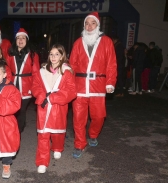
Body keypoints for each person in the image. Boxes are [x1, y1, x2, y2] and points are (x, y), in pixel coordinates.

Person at [69, 12, 117, 158]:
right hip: (80, 86)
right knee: (78, 118)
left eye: (92, 23)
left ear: (98, 25)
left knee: (99, 116)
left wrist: (110, 82)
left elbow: (111, 64)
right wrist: (68, 84)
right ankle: (79, 144)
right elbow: (72, 64)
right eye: (87, 23)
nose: (89, 26)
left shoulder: (107, 41)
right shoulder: (78, 42)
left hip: (98, 85)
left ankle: (93, 134)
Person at [32, 44, 76, 173]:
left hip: (58, 107)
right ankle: (42, 162)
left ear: (62, 55)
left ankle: (57, 147)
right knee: (43, 134)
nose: (53, 57)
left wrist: (55, 97)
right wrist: (41, 95)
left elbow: (71, 91)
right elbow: (35, 86)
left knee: (58, 132)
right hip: (44, 107)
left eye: (57, 54)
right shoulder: (42, 71)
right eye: (51, 54)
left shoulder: (67, 72)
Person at [7, 28, 40, 133]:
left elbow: (36, 73)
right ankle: (15, 127)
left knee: (21, 110)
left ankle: (18, 131)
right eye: (18, 38)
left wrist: (34, 88)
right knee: (13, 109)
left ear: (27, 40)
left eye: (23, 38)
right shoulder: (10, 54)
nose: (20, 40)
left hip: (26, 86)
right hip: (12, 85)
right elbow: (6, 69)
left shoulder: (33, 55)